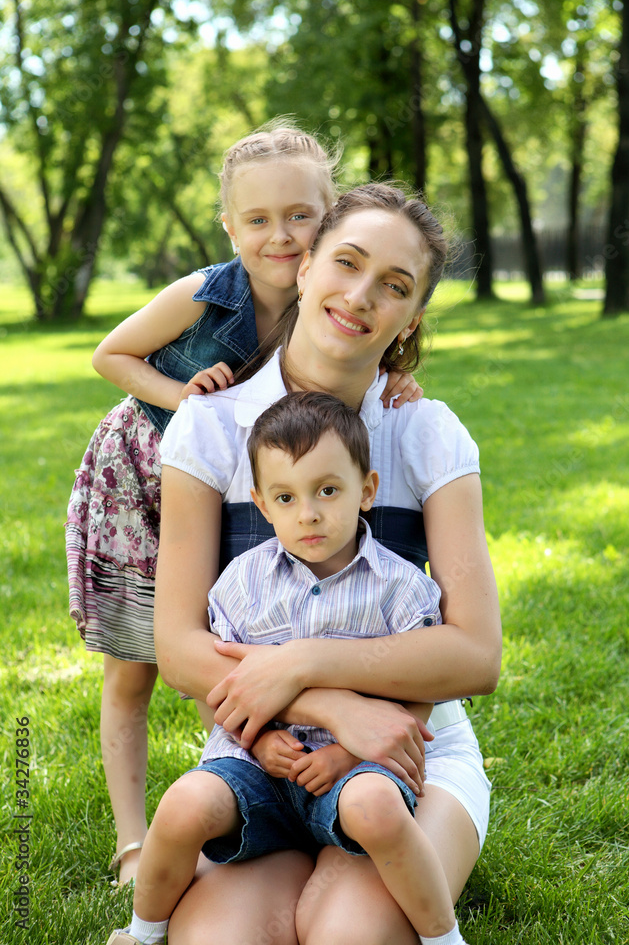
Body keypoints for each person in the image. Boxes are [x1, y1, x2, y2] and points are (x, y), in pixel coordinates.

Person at [65, 124, 421, 885]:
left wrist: (400, 378)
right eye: (257, 220)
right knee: (138, 665)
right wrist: (183, 396)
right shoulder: (205, 291)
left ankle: (247, 774)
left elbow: (369, 347)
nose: (281, 235)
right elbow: (109, 355)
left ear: (330, 215)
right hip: (144, 474)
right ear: (230, 226)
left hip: (248, 481)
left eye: (300, 215)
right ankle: (134, 840)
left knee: (234, 623)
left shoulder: (329, 295)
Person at [153, 182, 502, 945]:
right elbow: (178, 648)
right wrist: (327, 704)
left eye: (395, 286)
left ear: (410, 319)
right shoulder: (208, 429)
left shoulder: (428, 436)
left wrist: (305, 660)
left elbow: (475, 654)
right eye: (346, 262)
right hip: (259, 752)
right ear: (304, 266)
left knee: (349, 936)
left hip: (406, 753)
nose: (360, 295)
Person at [107, 390, 471, 945]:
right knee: (183, 803)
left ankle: (443, 937)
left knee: (376, 806)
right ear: (259, 501)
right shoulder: (240, 585)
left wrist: (350, 752)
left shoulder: (400, 586)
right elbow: (218, 682)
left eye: (328, 490)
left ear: (367, 490)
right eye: (285, 496)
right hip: (257, 763)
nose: (309, 514)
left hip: (354, 767)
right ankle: (139, 932)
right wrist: (253, 743)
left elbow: (422, 689)